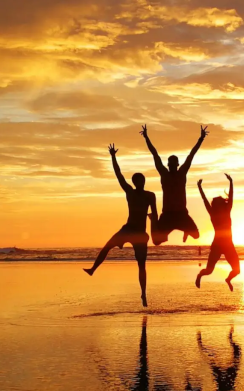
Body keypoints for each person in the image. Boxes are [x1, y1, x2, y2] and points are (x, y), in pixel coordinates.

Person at [85, 144, 159, 307]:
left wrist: (154, 225)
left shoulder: (150, 196)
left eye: (143, 181)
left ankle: (143, 294)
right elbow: (119, 175)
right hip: (127, 229)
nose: (141, 183)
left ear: (144, 182)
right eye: (138, 181)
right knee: (106, 247)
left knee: (141, 265)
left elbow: (155, 214)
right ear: (134, 183)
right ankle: (93, 269)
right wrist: (113, 157)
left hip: (140, 233)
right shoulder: (130, 192)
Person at [141, 124, 207, 245]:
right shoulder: (164, 174)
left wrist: (201, 139)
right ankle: (154, 219)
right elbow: (154, 154)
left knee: (196, 235)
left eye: (173, 164)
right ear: (168, 165)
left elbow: (191, 155)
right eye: (170, 164)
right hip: (168, 214)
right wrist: (146, 137)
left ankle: (184, 230)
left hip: (182, 213)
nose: (171, 166)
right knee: (156, 241)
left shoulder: (182, 173)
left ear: (176, 165)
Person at [195, 174, 240, 290]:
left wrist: (231, 182)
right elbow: (204, 200)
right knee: (209, 271)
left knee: (237, 270)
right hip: (217, 245)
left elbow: (231, 197)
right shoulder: (213, 213)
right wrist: (199, 187)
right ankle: (200, 275)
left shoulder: (227, 210)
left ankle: (228, 279)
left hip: (228, 245)